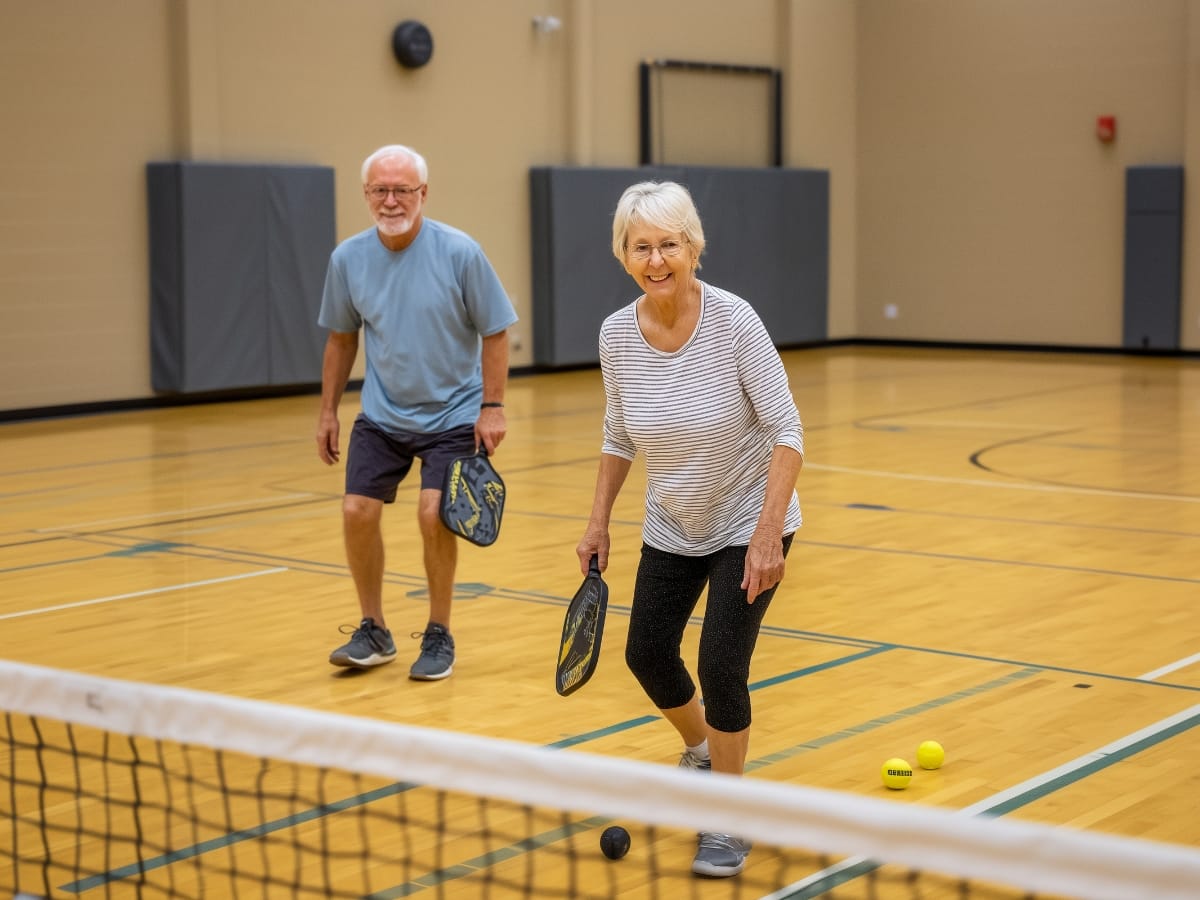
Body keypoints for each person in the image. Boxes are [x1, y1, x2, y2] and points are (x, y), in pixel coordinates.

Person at [576, 181, 804, 879]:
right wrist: (597, 521)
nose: (656, 259)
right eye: (640, 247)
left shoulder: (735, 322)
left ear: (693, 247)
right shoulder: (617, 334)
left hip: (747, 518)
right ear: (623, 254)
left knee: (721, 664)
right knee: (646, 653)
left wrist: (769, 534)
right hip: (674, 520)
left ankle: (728, 820)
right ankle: (706, 751)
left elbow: (788, 432)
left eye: (668, 244)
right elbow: (618, 433)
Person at [316, 144, 517, 681]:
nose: (390, 200)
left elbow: (496, 331)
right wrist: (328, 411)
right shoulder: (348, 259)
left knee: (434, 514)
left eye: (402, 189)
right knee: (356, 511)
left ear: (422, 193)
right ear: (366, 195)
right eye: (380, 190)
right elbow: (341, 339)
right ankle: (374, 629)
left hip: (452, 415)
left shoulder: (460, 252)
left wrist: (492, 407)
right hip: (382, 415)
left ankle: (439, 633)